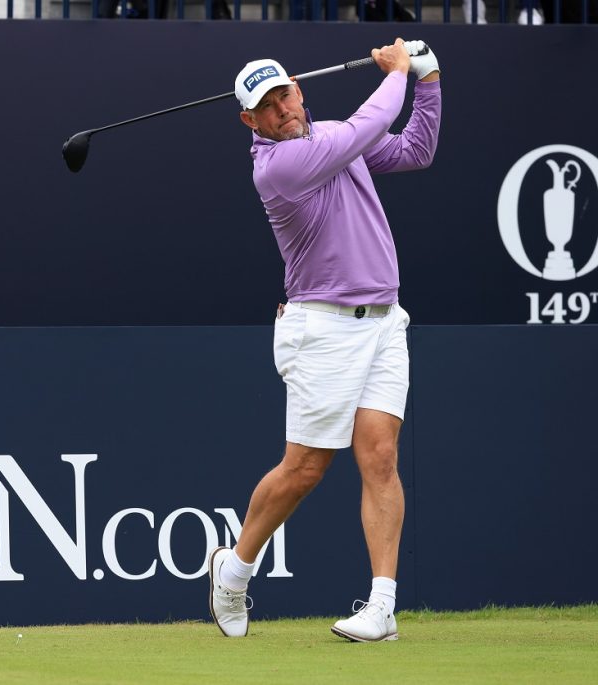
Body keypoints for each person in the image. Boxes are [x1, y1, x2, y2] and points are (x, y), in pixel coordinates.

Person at [208, 38, 441, 642]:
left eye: (285, 92)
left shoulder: (339, 137)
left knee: (380, 456)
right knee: (306, 467)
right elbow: (372, 121)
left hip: (386, 321)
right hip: (323, 328)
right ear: (249, 121)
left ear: (299, 89)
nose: (282, 107)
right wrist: (396, 71)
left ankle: (382, 607)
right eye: (267, 103)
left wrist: (429, 79)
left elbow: (416, 149)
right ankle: (234, 572)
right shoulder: (277, 168)